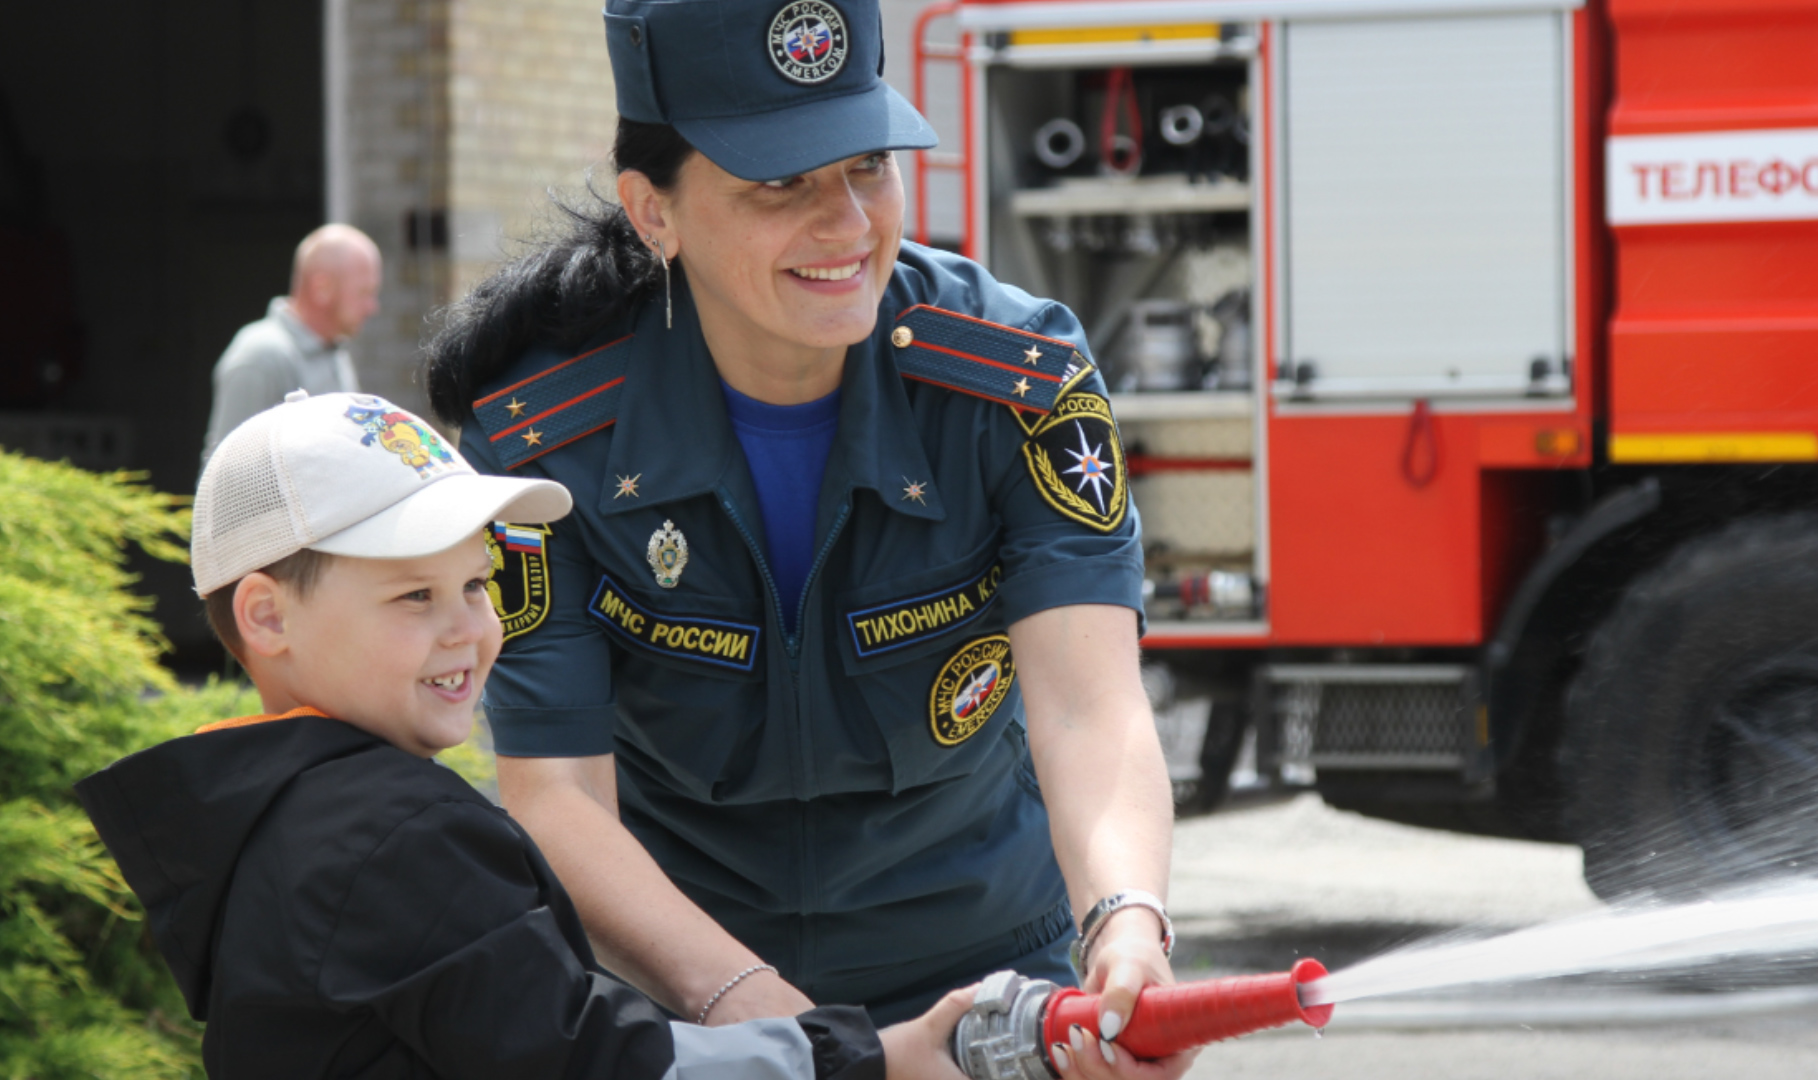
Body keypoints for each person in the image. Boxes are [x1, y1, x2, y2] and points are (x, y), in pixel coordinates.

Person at [424, 3, 1189, 1077]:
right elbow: (556, 793)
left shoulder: (1019, 382)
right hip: (692, 1002)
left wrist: (1125, 925)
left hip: (990, 983)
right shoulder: (540, 441)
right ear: (654, 212)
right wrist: (790, 1039)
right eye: (779, 184)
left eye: (867, 166)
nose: (847, 224)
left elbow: (1087, 704)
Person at [74, 391, 971, 1079]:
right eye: (414, 596)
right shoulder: (390, 834)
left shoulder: (266, 819)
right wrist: (870, 1056)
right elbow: (595, 1062)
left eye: (476, 584)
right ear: (267, 618)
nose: (469, 627)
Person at [201, 224, 382, 462]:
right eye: (363, 293)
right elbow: (225, 473)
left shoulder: (334, 350)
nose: (372, 308)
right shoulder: (261, 356)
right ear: (322, 288)